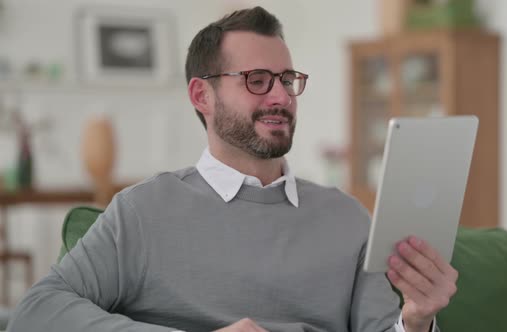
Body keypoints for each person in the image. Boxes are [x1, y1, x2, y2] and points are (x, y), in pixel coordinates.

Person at [8, 7, 457, 332]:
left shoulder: (349, 218)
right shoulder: (143, 212)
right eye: (257, 80)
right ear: (202, 96)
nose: (280, 96)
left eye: (286, 80)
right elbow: (35, 314)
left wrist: (415, 322)